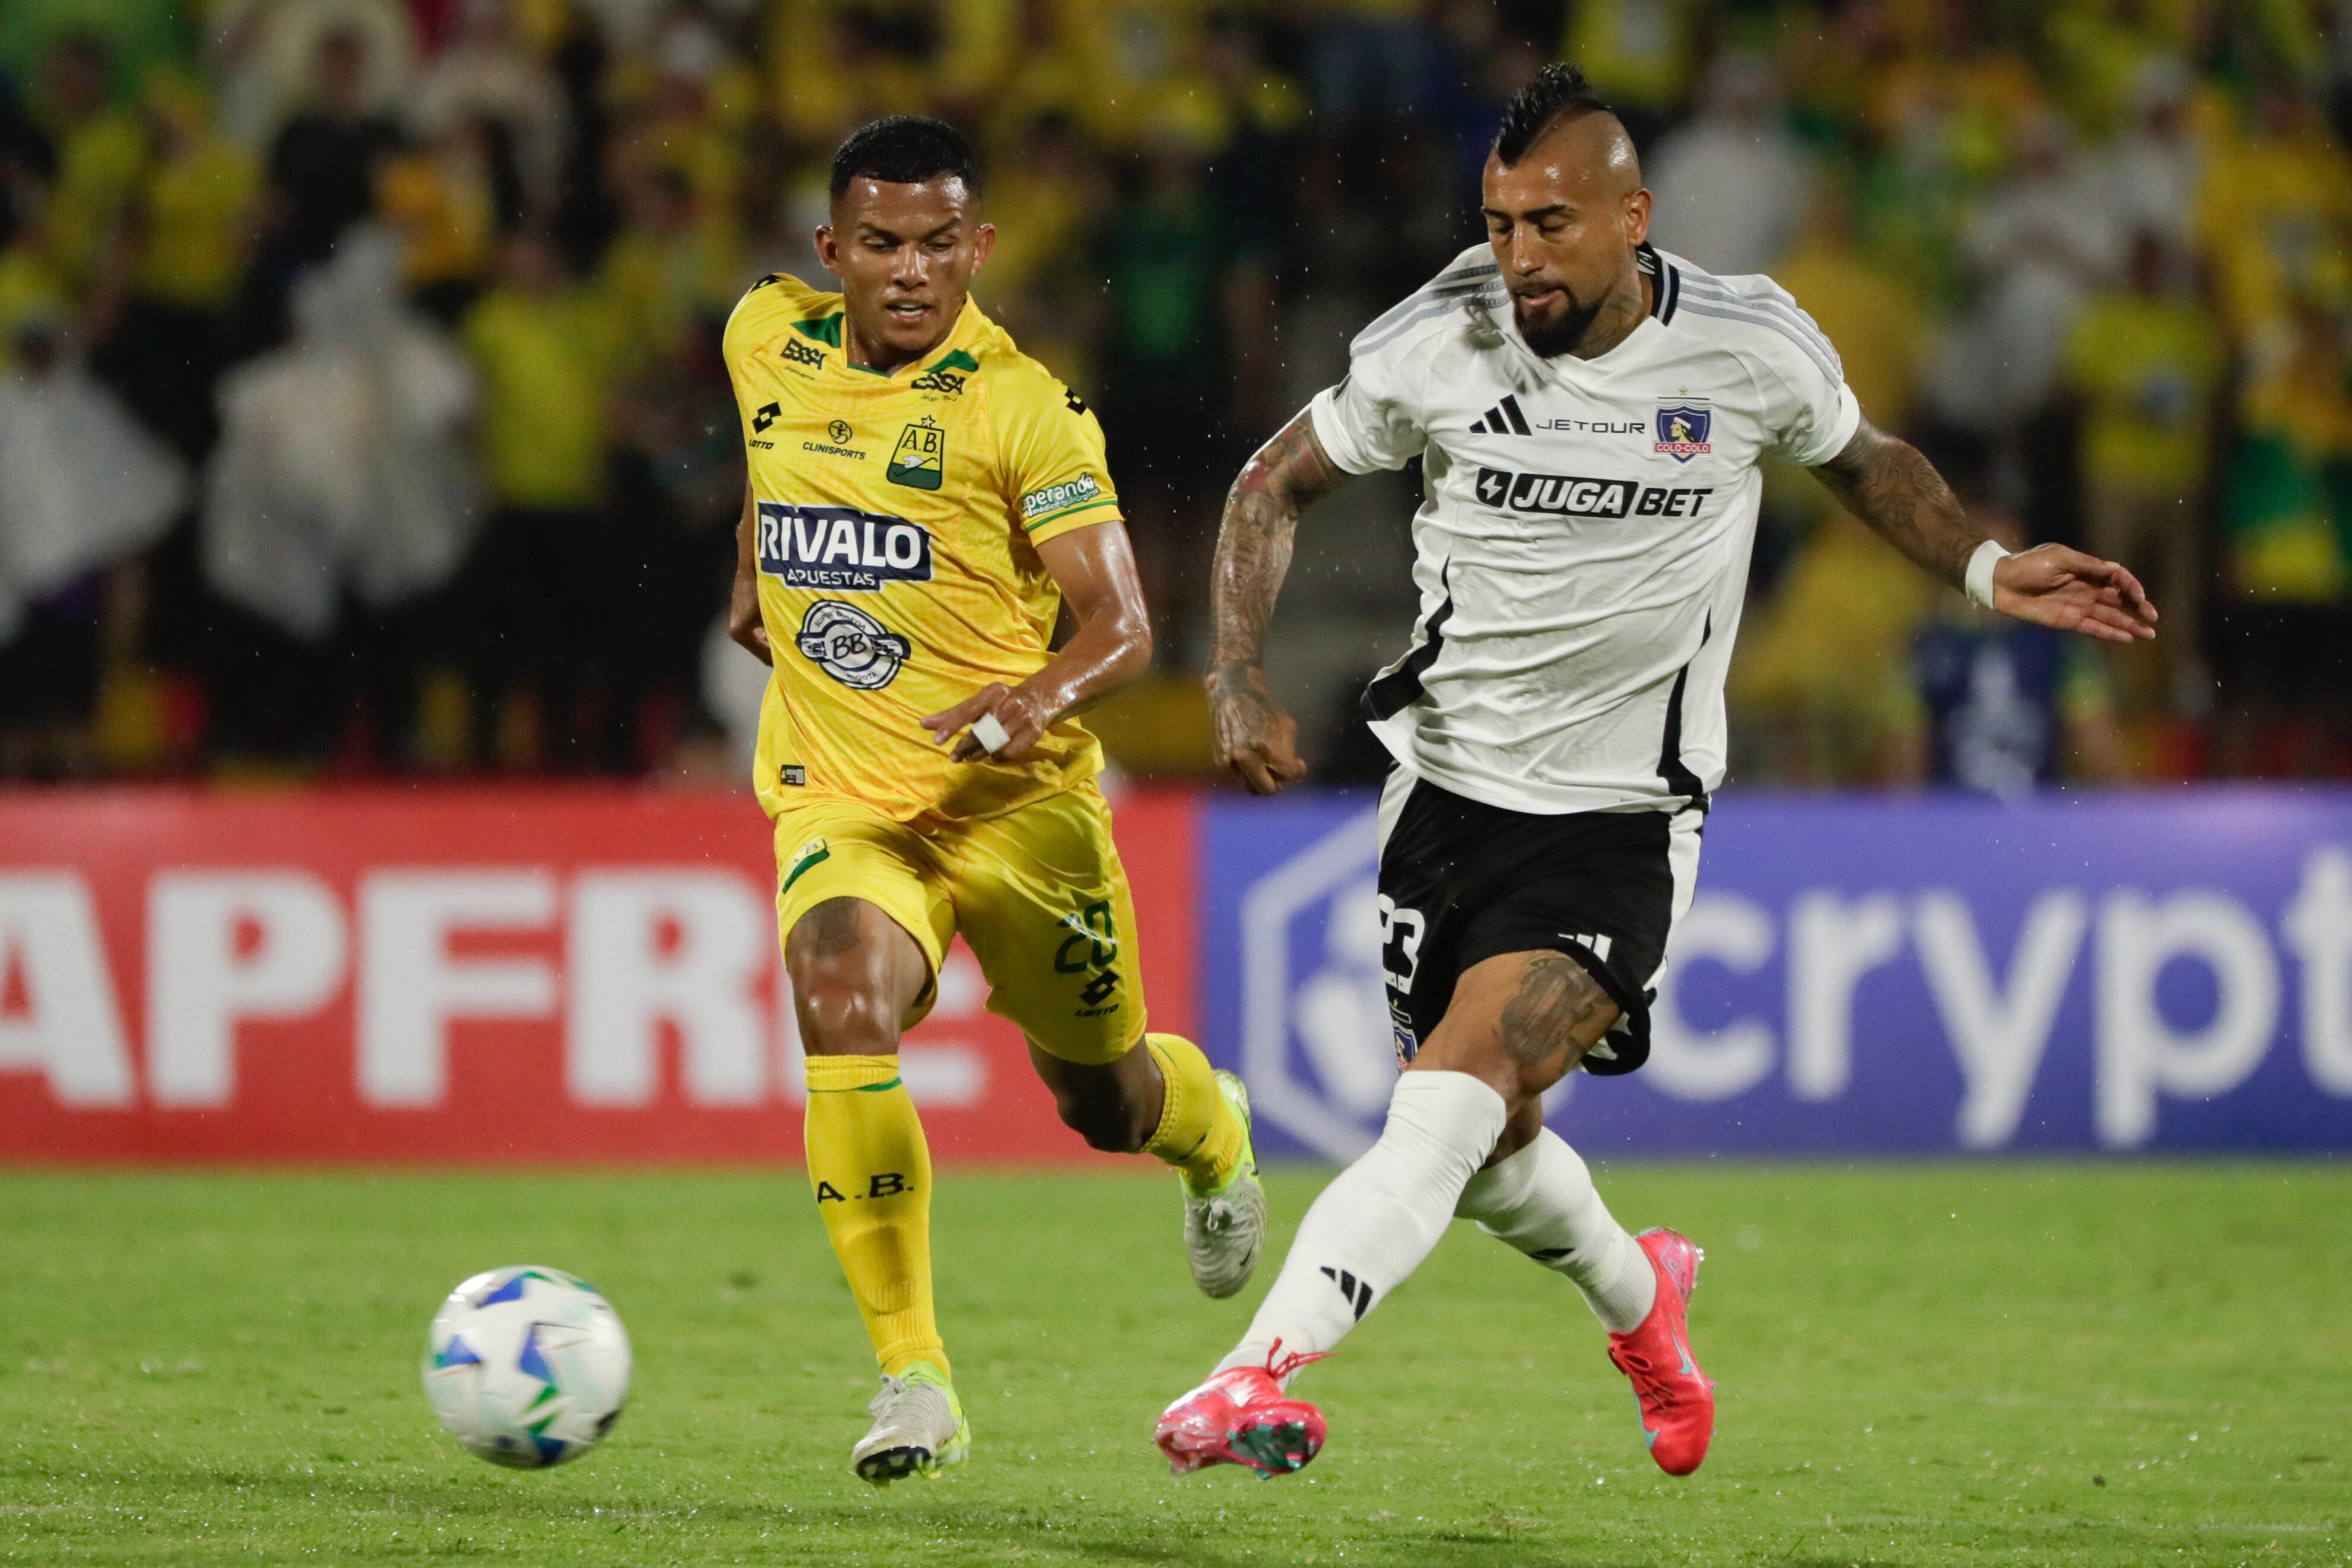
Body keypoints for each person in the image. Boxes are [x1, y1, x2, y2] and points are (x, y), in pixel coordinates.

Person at [1156, 63, 2157, 1481]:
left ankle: (1248, 1373)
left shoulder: (1745, 343)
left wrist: (1990, 569)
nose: (1516, 259)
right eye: (1498, 224)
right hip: (1441, 796)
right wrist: (1236, 671)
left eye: (1549, 226)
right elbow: (1269, 483)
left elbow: (1860, 461)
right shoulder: (1437, 335)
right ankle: (1645, 1302)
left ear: (1634, 217)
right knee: (1491, 1147)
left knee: (1444, 1097)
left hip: (1622, 818)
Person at [719, 115, 1266, 1486]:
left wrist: (1029, 699)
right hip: (845, 793)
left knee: (1106, 1098)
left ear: (980, 247)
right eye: (882, 244)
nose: (910, 270)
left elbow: (1124, 626)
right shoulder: (760, 339)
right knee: (835, 987)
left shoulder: (1022, 404)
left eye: (937, 243)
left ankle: (1214, 1137)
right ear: (829, 248)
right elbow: (773, 458)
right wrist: (752, 560)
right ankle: (913, 1377)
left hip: (1017, 812)